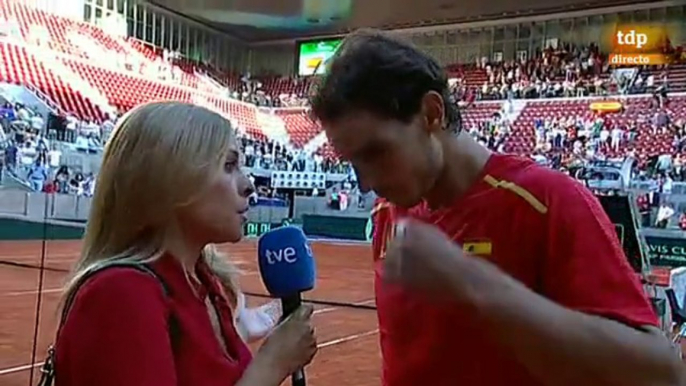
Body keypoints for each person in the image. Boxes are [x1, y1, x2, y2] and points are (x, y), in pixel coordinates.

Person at [311, 29, 684, 386]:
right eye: (352, 161)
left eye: (376, 152)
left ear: (430, 113)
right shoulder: (387, 214)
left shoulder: (546, 201)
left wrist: (474, 282)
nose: (367, 180)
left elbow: (661, 373)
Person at [54, 102, 317, 386]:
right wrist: (272, 365)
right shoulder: (120, 294)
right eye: (229, 166)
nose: (248, 185)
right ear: (172, 179)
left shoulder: (205, 283)